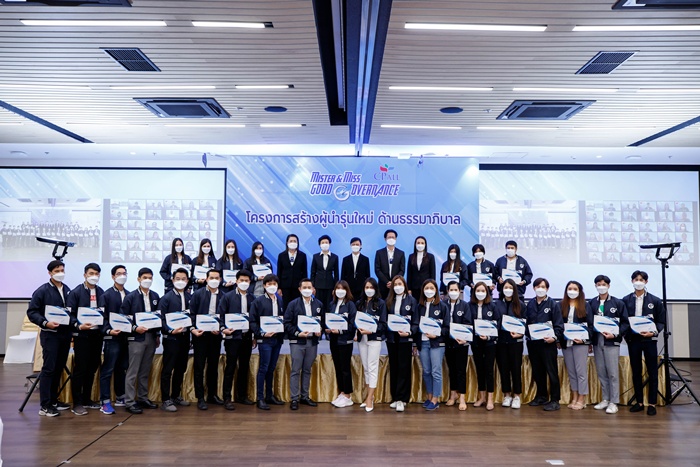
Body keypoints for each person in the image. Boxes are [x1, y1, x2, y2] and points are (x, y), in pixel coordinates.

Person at [27, 260, 72, 417]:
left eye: (62, 270)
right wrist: (45, 322)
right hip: (50, 335)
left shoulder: (67, 289)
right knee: (49, 369)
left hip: (65, 334)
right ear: (50, 273)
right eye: (57, 271)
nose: (60, 273)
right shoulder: (42, 291)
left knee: (59, 368)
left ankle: (54, 400)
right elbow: (32, 312)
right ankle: (45, 405)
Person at [622, 270, 665, 416]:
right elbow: (623, 321)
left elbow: (661, 321)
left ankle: (652, 403)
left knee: (652, 371)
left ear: (646, 282)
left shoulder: (655, 300)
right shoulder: (625, 300)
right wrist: (627, 335)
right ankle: (639, 402)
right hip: (633, 340)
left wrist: (653, 332)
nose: (638, 282)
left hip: (649, 340)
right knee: (636, 371)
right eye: (636, 279)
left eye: (641, 280)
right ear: (632, 281)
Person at [66, 262, 105, 415]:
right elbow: (69, 314)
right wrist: (78, 325)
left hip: (97, 335)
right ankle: (77, 403)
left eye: (96, 274)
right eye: (91, 274)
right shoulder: (76, 292)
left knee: (92, 367)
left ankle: (87, 399)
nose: (94, 276)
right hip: (82, 335)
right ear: (85, 275)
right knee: (80, 369)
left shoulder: (101, 292)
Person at [121, 267, 161, 414]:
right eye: (144, 277)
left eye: (150, 278)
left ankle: (142, 398)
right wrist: (134, 328)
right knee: (133, 371)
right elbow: (124, 318)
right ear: (138, 279)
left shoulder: (155, 296)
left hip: (151, 337)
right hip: (136, 338)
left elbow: (158, 317)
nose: (147, 280)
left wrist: (157, 335)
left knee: (145, 370)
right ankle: (130, 402)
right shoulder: (130, 297)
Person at [589, 274, 629, 414]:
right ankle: (605, 399)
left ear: (609, 286)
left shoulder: (618, 303)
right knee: (601, 372)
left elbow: (625, 323)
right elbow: (589, 323)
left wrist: (616, 334)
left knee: (612, 373)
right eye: (599, 284)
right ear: (595, 286)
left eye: (604, 284)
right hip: (597, 340)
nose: (601, 287)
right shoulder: (591, 303)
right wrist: (589, 341)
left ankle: (614, 402)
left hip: (611, 341)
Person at [218, 270, 256, 410]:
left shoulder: (253, 298)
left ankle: (242, 396)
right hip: (232, 338)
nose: (244, 283)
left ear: (250, 282)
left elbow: (254, 319)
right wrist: (223, 329)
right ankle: (227, 398)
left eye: (246, 281)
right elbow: (221, 316)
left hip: (246, 338)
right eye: (241, 280)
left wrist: (254, 336)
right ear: (236, 281)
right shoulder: (227, 297)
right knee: (230, 367)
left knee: (244, 367)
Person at [284, 278, 323, 410]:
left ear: (313, 289)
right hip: (297, 342)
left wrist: (320, 330)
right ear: (299, 289)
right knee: (296, 370)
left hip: (312, 342)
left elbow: (322, 322)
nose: (307, 290)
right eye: (304, 287)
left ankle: (304, 396)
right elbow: (287, 323)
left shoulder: (318, 304)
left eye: (309, 287)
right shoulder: (293, 304)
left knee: (307, 370)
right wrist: (297, 333)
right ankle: (294, 398)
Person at [526, 278, 564, 411]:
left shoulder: (553, 304)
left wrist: (554, 337)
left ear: (547, 289)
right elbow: (526, 323)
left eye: (543, 287)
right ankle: (541, 396)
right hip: (533, 344)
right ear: (534, 288)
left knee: (551, 371)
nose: (540, 289)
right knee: (538, 371)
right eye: (538, 286)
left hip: (548, 344)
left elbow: (559, 325)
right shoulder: (530, 304)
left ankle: (555, 400)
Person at [157, 268, 192, 412]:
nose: (180, 281)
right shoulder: (166, 298)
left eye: (183, 279)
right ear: (172, 280)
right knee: (168, 369)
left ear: (187, 281)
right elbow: (161, 319)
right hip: (171, 338)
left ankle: (176, 395)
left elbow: (193, 317)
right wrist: (170, 330)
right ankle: (165, 399)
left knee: (181, 368)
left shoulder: (190, 297)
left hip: (185, 338)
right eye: (178, 278)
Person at [249, 274, 285, 410]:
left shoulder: (280, 300)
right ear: (264, 286)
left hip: (277, 339)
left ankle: (269, 396)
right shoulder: (258, 301)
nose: (272, 286)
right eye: (269, 284)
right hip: (265, 340)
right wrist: (261, 333)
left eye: (274, 284)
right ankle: (260, 398)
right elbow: (252, 321)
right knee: (264, 368)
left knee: (271, 368)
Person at [98, 265, 130, 415]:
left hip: (126, 337)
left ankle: (120, 396)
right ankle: (104, 401)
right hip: (112, 337)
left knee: (121, 368)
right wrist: (108, 330)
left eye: (124, 273)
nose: (122, 276)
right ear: (113, 276)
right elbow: (101, 317)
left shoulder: (129, 294)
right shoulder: (106, 295)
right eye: (119, 273)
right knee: (108, 369)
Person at [189, 269, 224, 410]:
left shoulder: (224, 296)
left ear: (220, 279)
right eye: (211, 277)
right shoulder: (197, 294)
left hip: (215, 336)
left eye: (217, 278)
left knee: (213, 366)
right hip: (200, 336)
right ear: (206, 279)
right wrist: (193, 328)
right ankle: (200, 397)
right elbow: (191, 314)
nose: (214, 280)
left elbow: (225, 316)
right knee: (199, 366)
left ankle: (212, 395)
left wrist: (221, 328)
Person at [385, 275, 418, 412]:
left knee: (404, 368)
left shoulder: (412, 300)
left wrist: (410, 333)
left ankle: (402, 399)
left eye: (400, 284)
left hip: (405, 339)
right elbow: (385, 319)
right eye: (395, 284)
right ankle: (395, 397)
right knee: (394, 367)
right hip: (392, 339)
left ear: (404, 285)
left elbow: (415, 322)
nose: (398, 286)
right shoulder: (389, 300)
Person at [415, 279, 449, 411]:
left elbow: (447, 328)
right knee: (427, 371)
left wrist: (437, 334)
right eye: (426, 288)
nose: (429, 290)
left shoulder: (443, 306)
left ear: (436, 290)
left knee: (436, 371)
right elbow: (415, 324)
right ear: (423, 290)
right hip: (423, 343)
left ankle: (435, 399)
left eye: (432, 288)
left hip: (437, 343)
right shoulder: (419, 306)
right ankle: (429, 396)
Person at [355, 277, 387, 412]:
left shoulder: (381, 303)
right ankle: (370, 396)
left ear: (376, 289)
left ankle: (369, 398)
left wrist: (372, 330)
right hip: (362, 339)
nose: (369, 290)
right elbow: (356, 321)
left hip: (374, 338)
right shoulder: (359, 303)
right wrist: (357, 332)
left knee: (372, 367)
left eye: (371, 287)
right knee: (366, 368)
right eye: (367, 287)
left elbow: (383, 324)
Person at [560, 280, 593, 411]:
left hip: (580, 343)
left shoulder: (586, 305)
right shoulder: (561, 305)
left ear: (580, 291)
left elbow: (590, 325)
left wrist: (584, 339)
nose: (572, 291)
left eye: (575, 289)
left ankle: (582, 398)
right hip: (566, 343)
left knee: (581, 372)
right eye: (570, 289)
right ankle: (574, 396)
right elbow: (558, 324)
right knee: (572, 372)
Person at [470, 281, 502, 410]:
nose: (480, 293)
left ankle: (490, 398)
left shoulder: (493, 306)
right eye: (478, 290)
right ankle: (482, 397)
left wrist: (489, 336)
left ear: (487, 292)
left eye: (483, 291)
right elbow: (467, 323)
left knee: (489, 370)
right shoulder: (469, 306)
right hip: (476, 342)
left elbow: (497, 324)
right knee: (480, 369)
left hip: (489, 343)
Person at [325, 280, 357, 408]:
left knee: (345, 368)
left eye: (342, 288)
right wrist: (328, 329)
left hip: (345, 341)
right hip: (334, 340)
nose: (340, 291)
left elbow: (352, 324)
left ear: (347, 291)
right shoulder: (332, 304)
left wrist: (340, 331)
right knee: (338, 367)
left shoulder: (350, 305)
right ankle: (342, 392)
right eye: (337, 288)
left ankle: (348, 395)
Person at [496, 279, 526, 409]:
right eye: (505, 287)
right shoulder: (497, 304)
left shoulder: (521, 304)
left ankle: (517, 396)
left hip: (516, 342)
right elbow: (494, 321)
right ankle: (507, 395)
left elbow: (525, 323)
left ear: (514, 289)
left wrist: (520, 333)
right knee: (504, 369)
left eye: (510, 287)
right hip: (501, 342)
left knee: (516, 369)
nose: (508, 290)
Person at [444, 280, 471, 411]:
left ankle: (462, 398)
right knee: (452, 369)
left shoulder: (465, 305)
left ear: (460, 291)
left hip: (461, 343)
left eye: (456, 290)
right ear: (447, 291)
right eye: (451, 290)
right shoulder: (443, 304)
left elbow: (467, 323)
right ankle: (453, 394)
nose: (453, 292)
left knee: (461, 370)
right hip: (448, 342)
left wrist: (463, 338)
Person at [277, 234, 308, 308]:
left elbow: (304, 272)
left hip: (297, 286)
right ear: (287, 243)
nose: (293, 242)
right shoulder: (281, 255)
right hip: (285, 287)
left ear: (297, 243)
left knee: (297, 306)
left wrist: (304, 286)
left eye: (295, 241)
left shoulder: (302, 255)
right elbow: (279, 272)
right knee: (286, 306)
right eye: (291, 241)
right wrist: (279, 287)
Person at [310, 234, 339, 313]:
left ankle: (328, 320)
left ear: (329, 244)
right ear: (320, 245)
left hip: (330, 286)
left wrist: (335, 288)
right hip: (318, 286)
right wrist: (312, 286)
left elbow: (336, 274)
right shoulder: (315, 256)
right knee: (318, 306)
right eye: (322, 243)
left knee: (329, 306)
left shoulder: (335, 257)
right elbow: (313, 272)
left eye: (326, 242)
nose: (324, 244)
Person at [374, 229, 406, 299]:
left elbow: (402, 270)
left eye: (393, 237)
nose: (391, 239)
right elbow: (377, 269)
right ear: (385, 239)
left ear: (396, 239)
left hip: (397, 286)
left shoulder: (401, 253)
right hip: (383, 285)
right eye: (389, 237)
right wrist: (387, 282)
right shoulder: (379, 253)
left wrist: (394, 282)